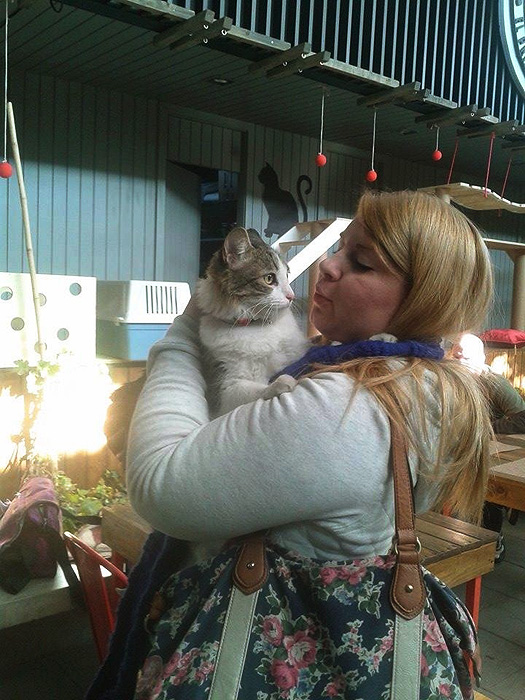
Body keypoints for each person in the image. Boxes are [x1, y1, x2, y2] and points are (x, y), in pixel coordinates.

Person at [88, 190, 494, 699]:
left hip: (272, 650)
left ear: (420, 300)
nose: (327, 266)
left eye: (361, 262)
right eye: (340, 247)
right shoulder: (412, 378)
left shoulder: (344, 409)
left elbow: (157, 484)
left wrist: (184, 331)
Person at [451, 332, 525, 562]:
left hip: (493, 451)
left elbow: (522, 417)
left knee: (488, 484)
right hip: (458, 448)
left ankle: (493, 542)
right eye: (456, 353)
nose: (460, 357)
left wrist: (488, 427)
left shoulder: (493, 382)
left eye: (466, 355)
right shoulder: (448, 379)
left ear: (482, 358)